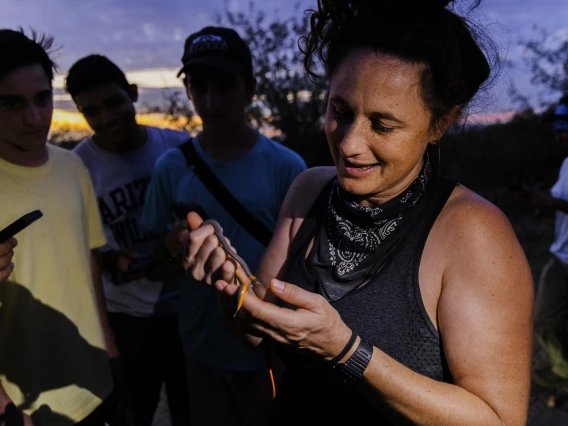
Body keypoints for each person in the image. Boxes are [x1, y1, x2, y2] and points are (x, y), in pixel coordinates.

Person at [184, 1, 535, 424]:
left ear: (440, 123)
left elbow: (498, 419)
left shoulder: (474, 232)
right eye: (340, 112)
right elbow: (254, 335)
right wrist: (231, 285)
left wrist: (347, 352)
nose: (349, 143)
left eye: (383, 125)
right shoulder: (309, 190)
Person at [140, 25, 307, 426]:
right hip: (200, 345)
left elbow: (304, 271)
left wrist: (284, 353)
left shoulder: (288, 168)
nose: (211, 101)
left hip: (267, 348)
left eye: (226, 85)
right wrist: (173, 244)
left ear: (250, 87)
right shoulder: (170, 168)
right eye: (199, 86)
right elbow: (157, 262)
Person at [65, 54, 191, 426]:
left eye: (114, 102)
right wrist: (109, 262)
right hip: (127, 319)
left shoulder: (177, 148)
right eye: (91, 111)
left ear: (133, 93)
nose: (106, 119)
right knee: (133, 414)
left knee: (193, 411)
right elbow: (76, 249)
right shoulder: (77, 166)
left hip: (187, 311)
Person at [0, 29, 115, 425]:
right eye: (11, 104)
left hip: (93, 381)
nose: (34, 119)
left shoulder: (73, 166)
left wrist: (110, 350)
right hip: (23, 404)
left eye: (43, 99)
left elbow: (89, 262)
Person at [518, 95, 568, 388]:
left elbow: (558, 202)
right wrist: (541, 200)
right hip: (562, 258)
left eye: (563, 128)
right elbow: (558, 199)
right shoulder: (565, 163)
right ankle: (563, 372)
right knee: (546, 319)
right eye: (557, 128)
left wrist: (549, 203)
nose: (558, 135)